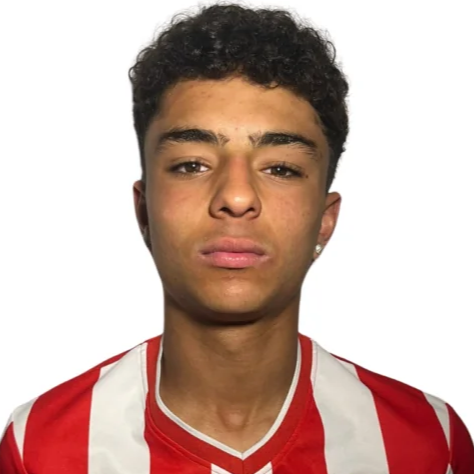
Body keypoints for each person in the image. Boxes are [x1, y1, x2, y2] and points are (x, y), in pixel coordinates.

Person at [1, 3, 473, 473]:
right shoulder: (39, 447)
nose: (237, 196)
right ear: (145, 211)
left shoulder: (431, 444)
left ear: (324, 221)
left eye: (281, 168)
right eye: (192, 164)